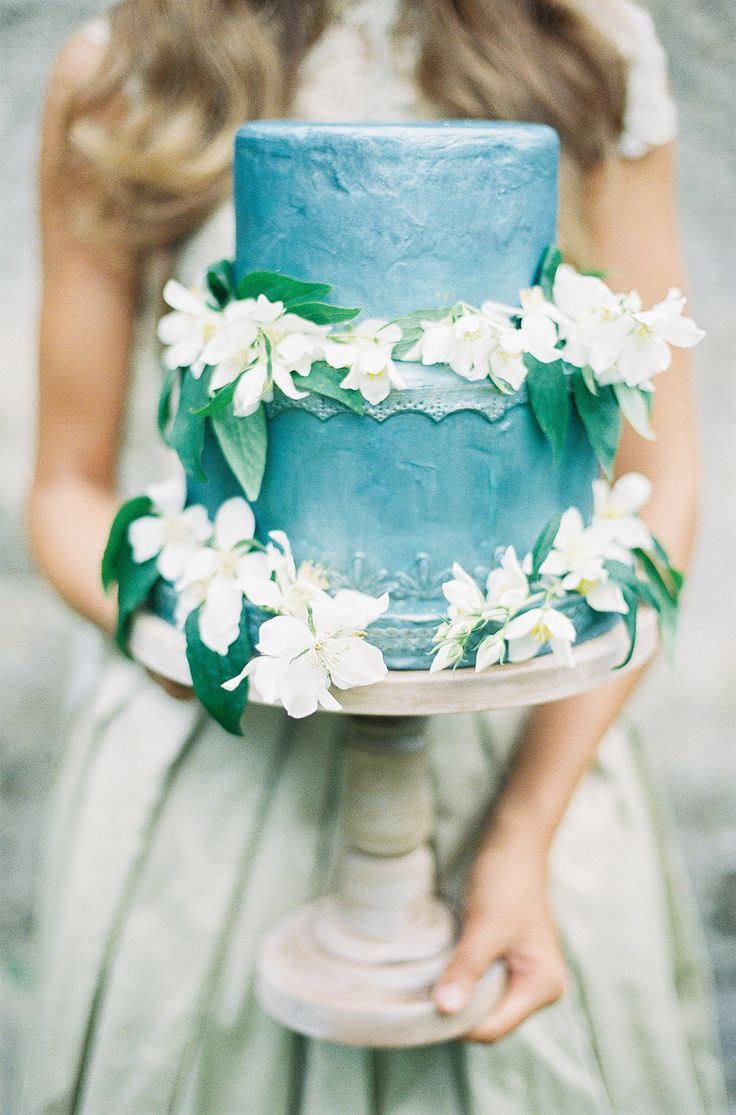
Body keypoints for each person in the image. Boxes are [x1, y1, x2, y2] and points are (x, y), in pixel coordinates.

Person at [24, 0, 728, 1112]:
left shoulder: (586, 52)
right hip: (220, 744)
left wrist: (522, 832)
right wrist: (195, 632)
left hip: (519, 745)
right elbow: (63, 491)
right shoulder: (132, 70)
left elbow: (663, 480)